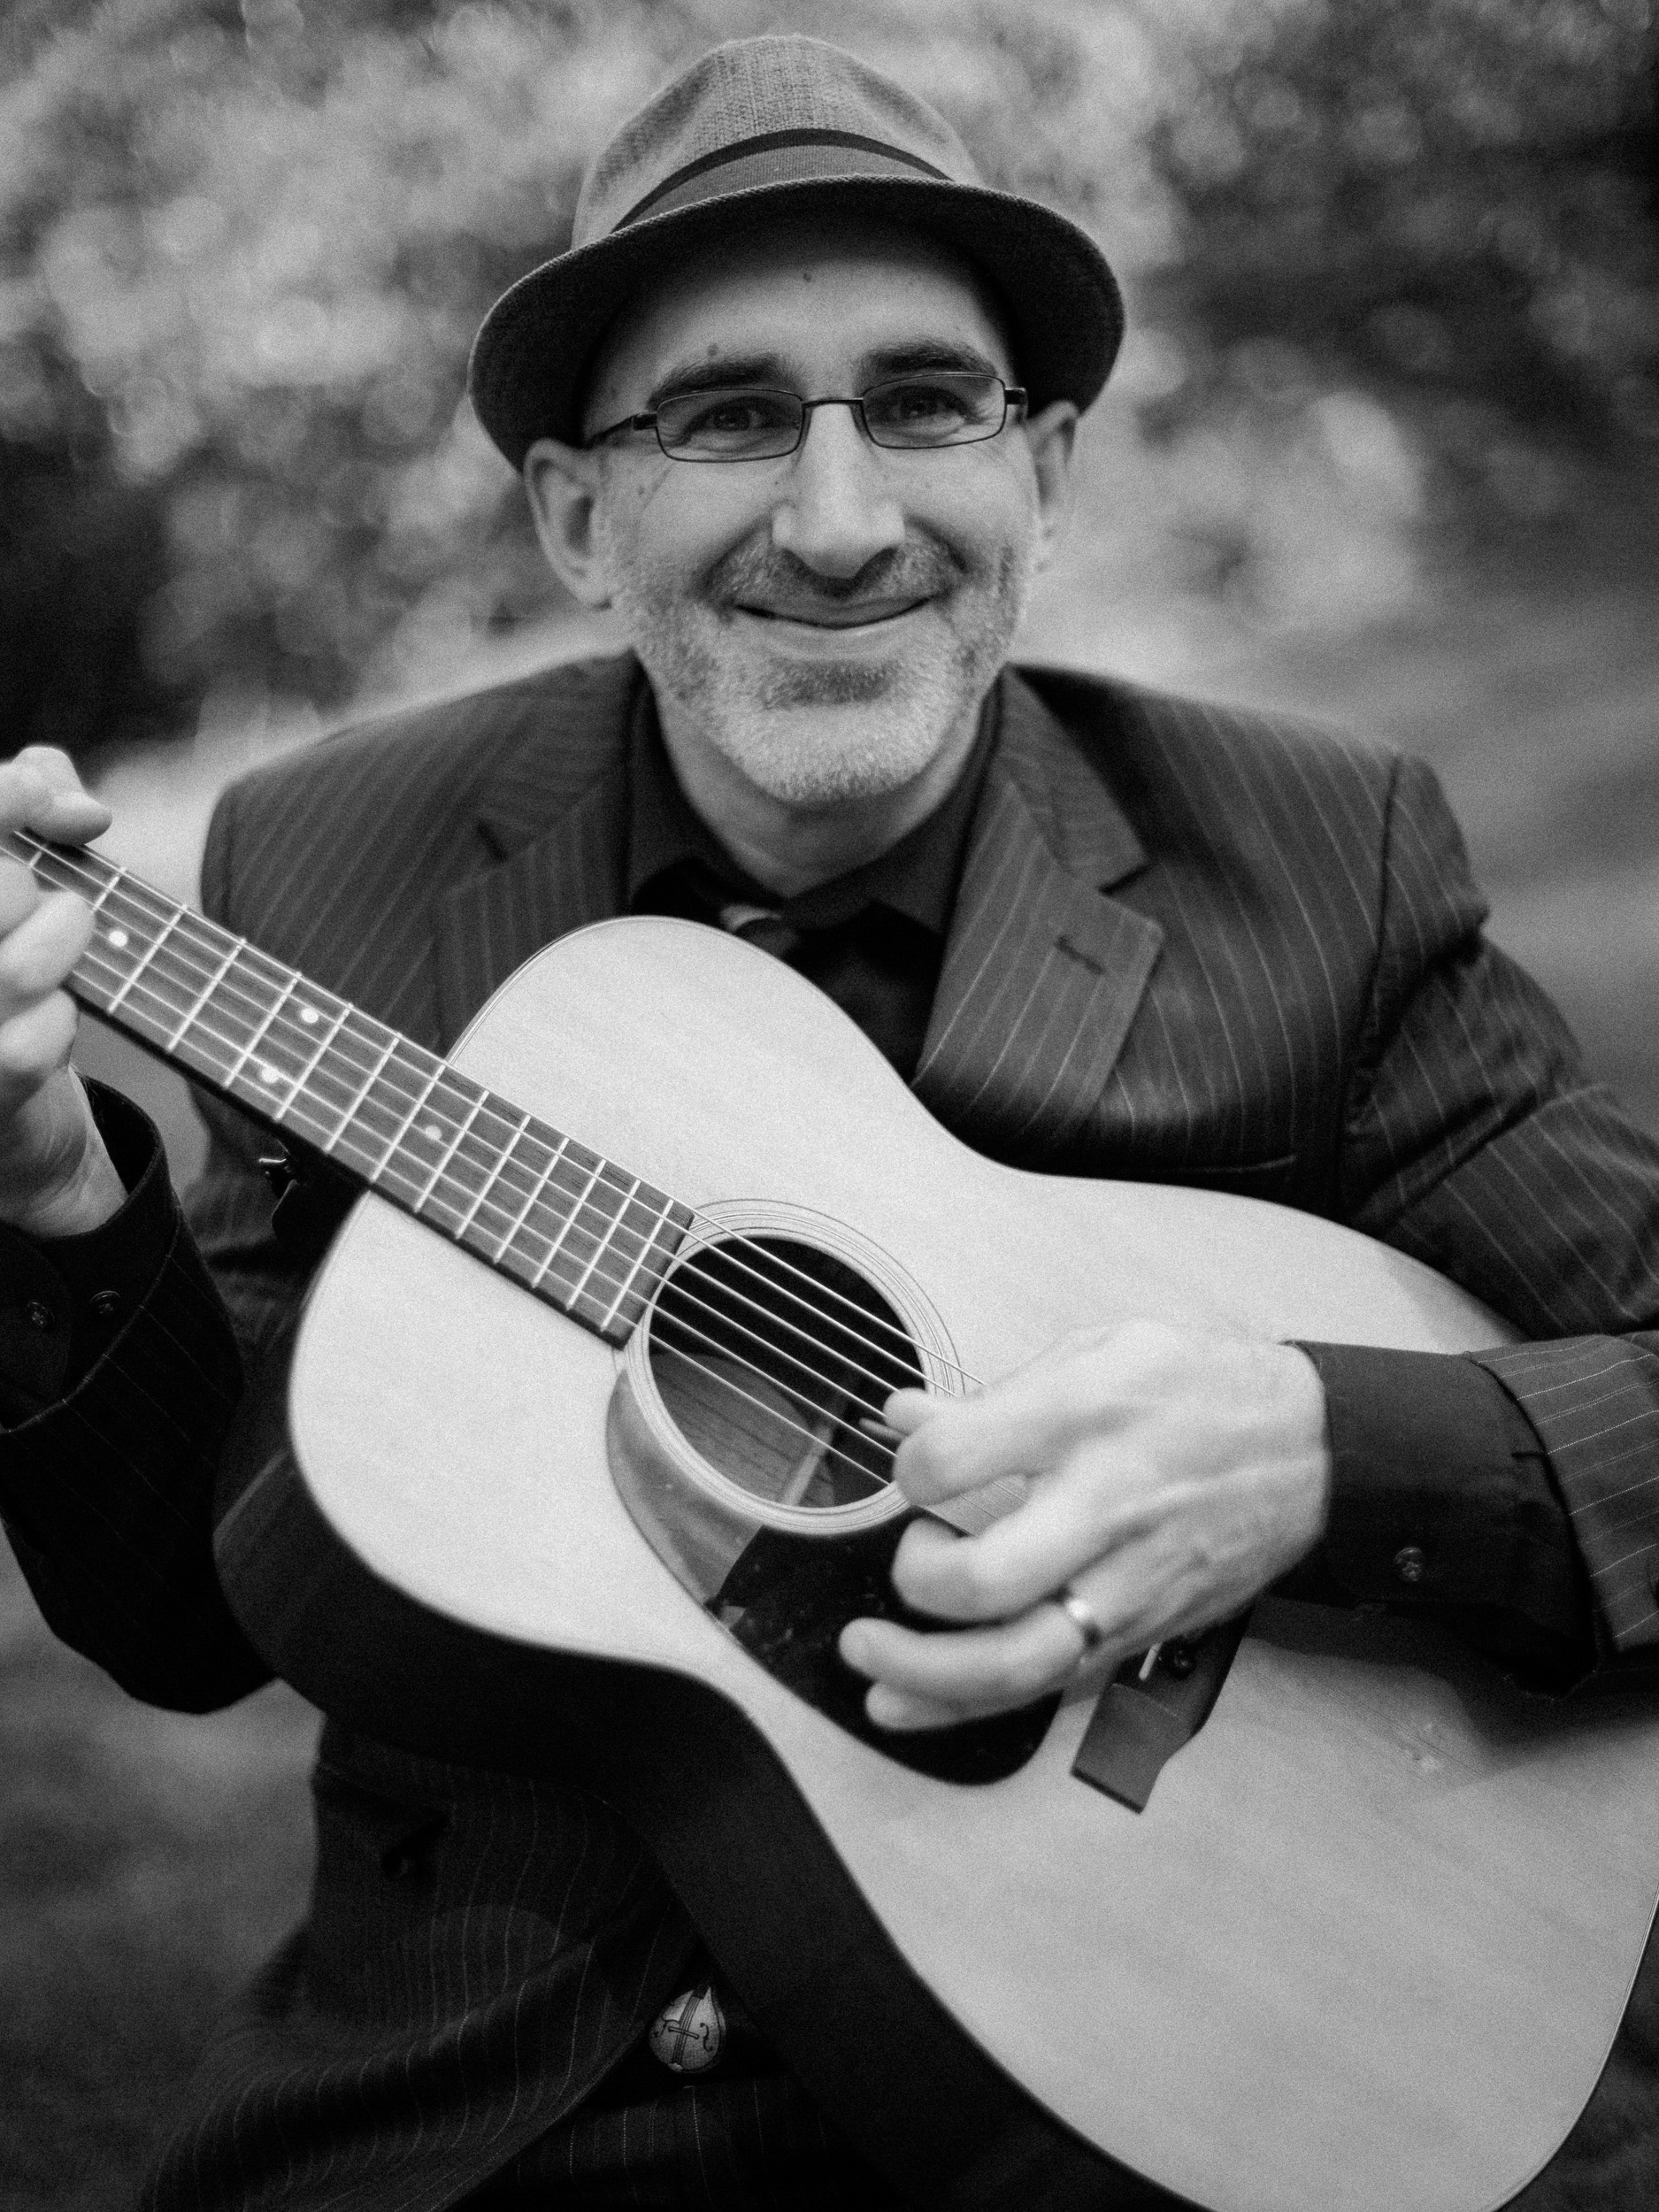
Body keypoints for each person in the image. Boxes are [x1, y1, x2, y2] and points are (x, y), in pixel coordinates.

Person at [2, 31, 1657, 2212]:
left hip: (1212, 2063)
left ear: (1045, 472)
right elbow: (196, 1610)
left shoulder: (1310, 857)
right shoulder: (334, 866)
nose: (842, 514)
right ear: (577, 515)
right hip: (499, 2103)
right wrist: (38, 1189)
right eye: (723, 415)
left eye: (927, 401)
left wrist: (1319, 1456)